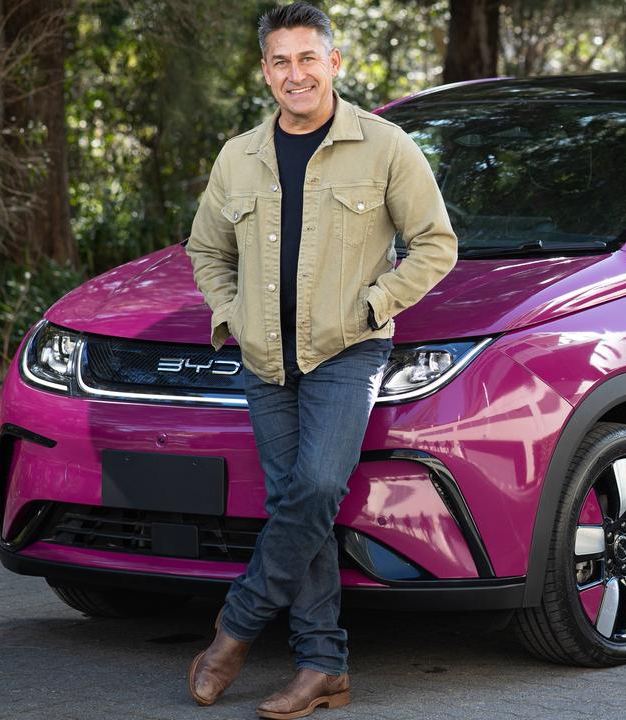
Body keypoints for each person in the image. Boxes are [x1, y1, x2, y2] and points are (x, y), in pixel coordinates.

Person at [182, 2, 457, 717]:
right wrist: (228, 315)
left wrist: (375, 305)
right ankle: (322, 665)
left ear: (334, 63)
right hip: (264, 358)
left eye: (309, 58)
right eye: (281, 61)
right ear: (266, 71)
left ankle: (235, 630)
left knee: (315, 489)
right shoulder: (238, 156)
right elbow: (206, 251)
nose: (295, 74)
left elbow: (435, 243)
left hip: (346, 352)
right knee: (294, 506)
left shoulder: (385, 146)